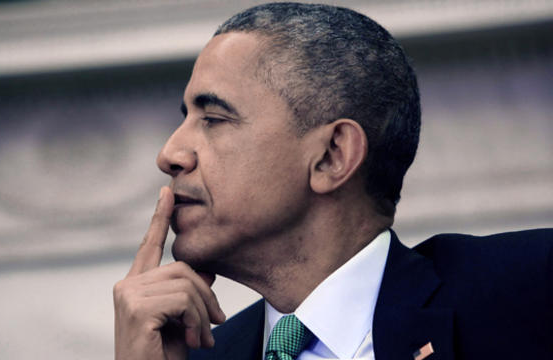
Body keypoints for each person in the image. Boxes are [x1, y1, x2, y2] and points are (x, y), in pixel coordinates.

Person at [113, 3, 552, 360]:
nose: (169, 154)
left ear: (331, 156)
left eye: (213, 118)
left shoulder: (530, 290)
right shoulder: (187, 355)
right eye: (185, 118)